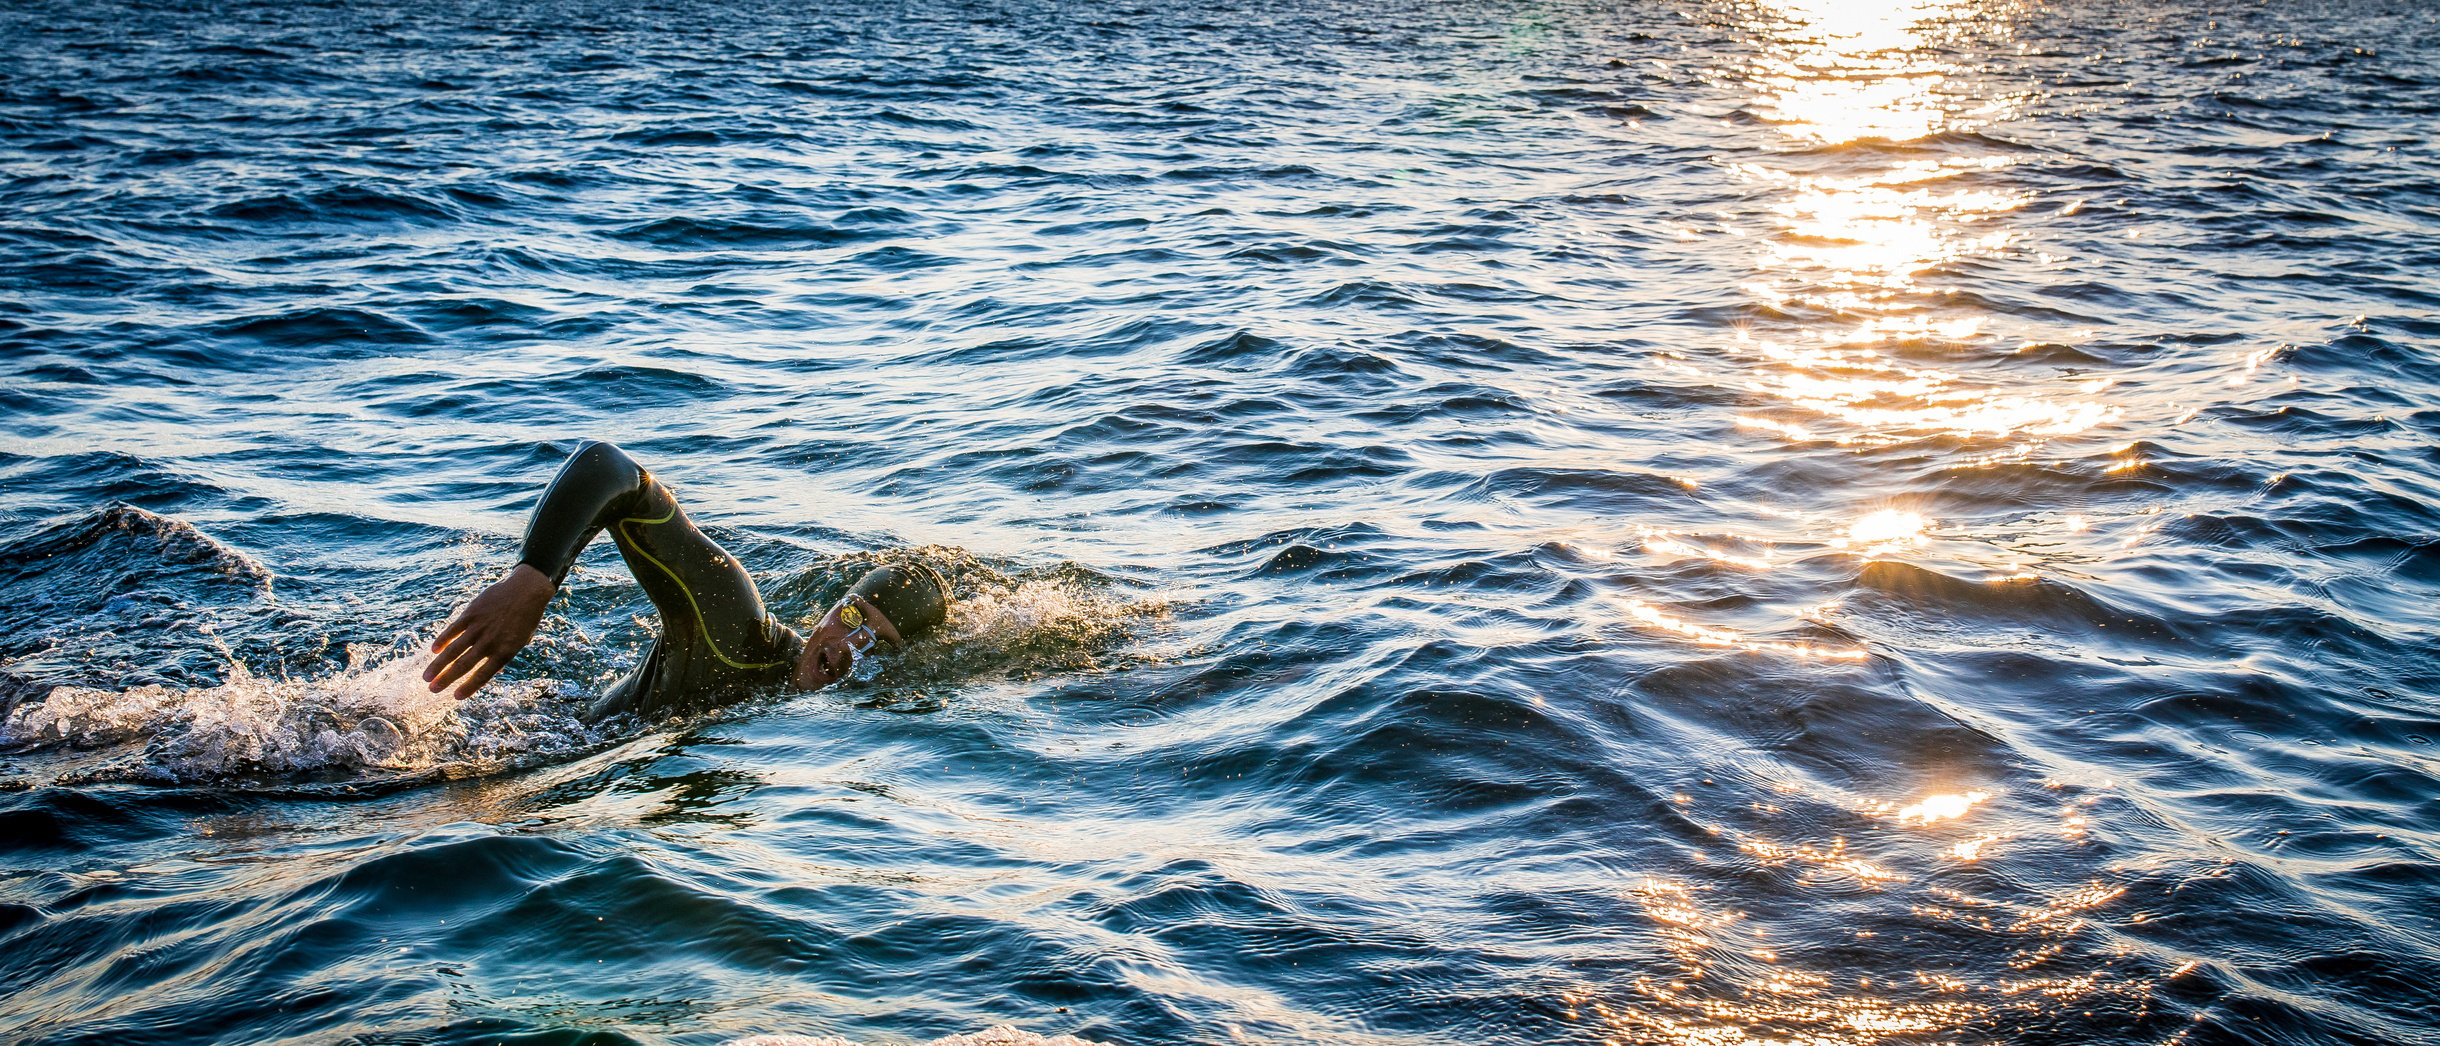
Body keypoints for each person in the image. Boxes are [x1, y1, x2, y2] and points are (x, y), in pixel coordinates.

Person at [423, 441, 948, 720]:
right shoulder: (736, 630)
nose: (849, 648)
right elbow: (610, 467)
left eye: (877, 641)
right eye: (854, 619)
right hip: (499, 739)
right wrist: (534, 578)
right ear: (832, 609)